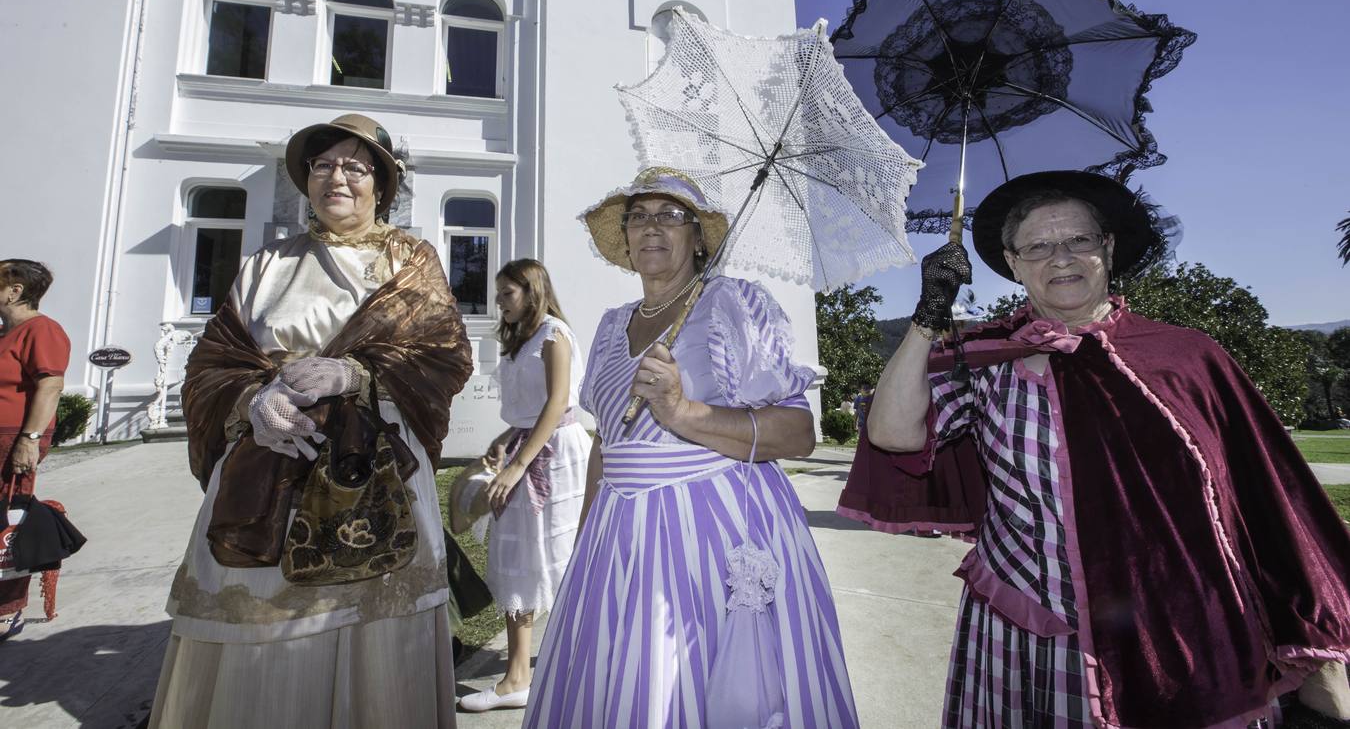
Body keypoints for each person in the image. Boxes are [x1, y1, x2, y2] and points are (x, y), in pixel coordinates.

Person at [840, 170, 1350, 728]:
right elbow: (893, 433)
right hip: (1035, 630)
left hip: (1182, 628)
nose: (1059, 258)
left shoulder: (1188, 356)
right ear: (1012, 263)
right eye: (1037, 246)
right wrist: (927, 315)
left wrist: (1318, 654)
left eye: (1078, 240)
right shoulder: (986, 360)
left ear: (1107, 248)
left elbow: (1267, 500)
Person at [149, 114, 474, 728]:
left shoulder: (408, 260)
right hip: (266, 469)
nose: (337, 177)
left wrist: (355, 376)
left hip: (373, 472)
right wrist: (251, 403)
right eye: (323, 165)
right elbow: (211, 363)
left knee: (371, 625)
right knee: (260, 638)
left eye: (356, 165)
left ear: (382, 183)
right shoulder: (267, 262)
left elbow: (444, 354)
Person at [523, 167, 859, 728]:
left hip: (714, 528)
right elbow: (606, 445)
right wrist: (586, 538)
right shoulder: (610, 326)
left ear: (699, 237)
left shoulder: (734, 305)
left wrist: (684, 411)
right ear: (626, 238)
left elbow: (798, 433)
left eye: (671, 216)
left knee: (699, 684)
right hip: (618, 536)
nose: (652, 227)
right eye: (639, 216)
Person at [457, 258, 590, 713]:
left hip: (556, 458)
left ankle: (574, 663)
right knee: (517, 559)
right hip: (524, 446)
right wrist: (501, 443)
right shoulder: (522, 340)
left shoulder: (554, 335)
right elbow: (524, 412)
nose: (498, 302)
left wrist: (517, 467)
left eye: (506, 294)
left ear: (531, 291)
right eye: (498, 294)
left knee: (563, 557)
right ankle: (518, 676)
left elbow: (555, 405)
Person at [0, 260, 70, 641]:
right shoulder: (5, 333)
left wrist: (29, 439)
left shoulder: (42, 329)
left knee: (8, 522)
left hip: (12, 437)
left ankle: (7, 611)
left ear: (16, 291)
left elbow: (50, 385)